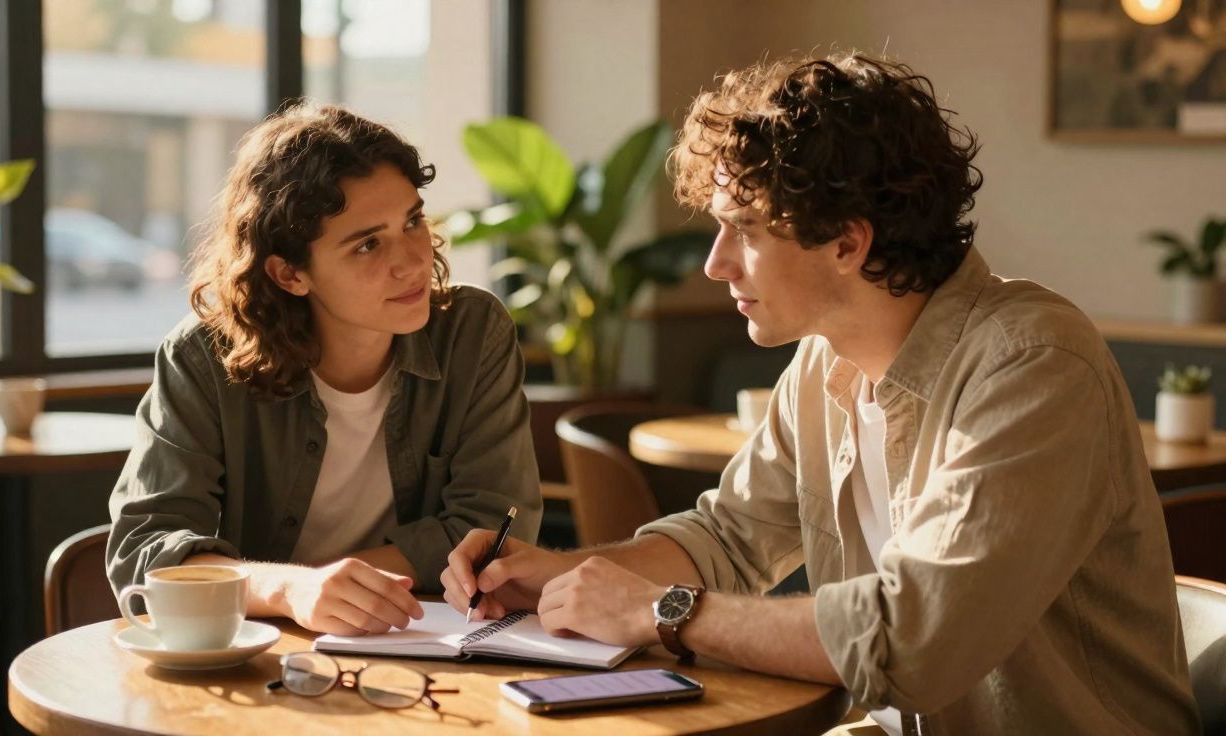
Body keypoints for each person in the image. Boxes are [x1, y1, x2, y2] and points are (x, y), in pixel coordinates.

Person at [440, 54, 1199, 734]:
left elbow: (915, 643)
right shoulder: (820, 362)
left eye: (743, 230)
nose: (714, 265)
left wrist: (657, 611)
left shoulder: (1033, 364)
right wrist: (562, 578)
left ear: (847, 241)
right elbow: (731, 540)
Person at [108, 104, 542, 637]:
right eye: (367, 244)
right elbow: (145, 554)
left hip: (424, 639)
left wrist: (332, 589)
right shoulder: (202, 357)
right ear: (290, 273)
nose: (411, 260)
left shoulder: (472, 334)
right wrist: (295, 590)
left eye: (412, 221)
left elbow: (492, 528)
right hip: (260, 652)